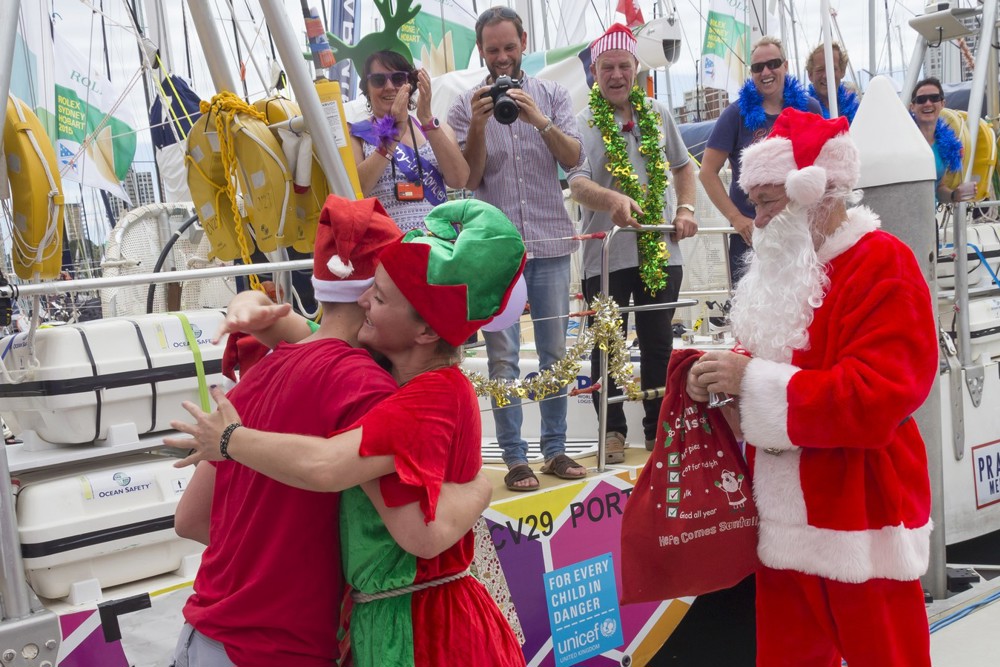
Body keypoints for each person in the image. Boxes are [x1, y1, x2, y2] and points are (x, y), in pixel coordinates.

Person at [168, 199, 527, 667]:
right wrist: (481, 485)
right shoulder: (374, 387)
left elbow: (191, 521)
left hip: (205, 634)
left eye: (380, 296)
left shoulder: (269, 370)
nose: (366, 302)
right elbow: (412, 525)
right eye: (371, 291)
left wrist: (251, 308)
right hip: (286, 647)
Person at [686, 108, 936, 666]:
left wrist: (750, 383)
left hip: (861, 519)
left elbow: (878, 397)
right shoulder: (789, 267)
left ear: (815, 195)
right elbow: (770, 362)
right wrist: (725, 385)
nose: (759, 220)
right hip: (782, 519)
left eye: (769, 203)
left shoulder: (881, 263)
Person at [447, 6, 586, 491]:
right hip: (497, 251)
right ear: (481, 52)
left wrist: (538, 119)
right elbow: (468, 177)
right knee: (502, 357)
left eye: (509, 47)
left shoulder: (550, 94)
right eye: (492, 50)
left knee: (554, 351)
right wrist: (480, 127)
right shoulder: (466, 106)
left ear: (523, 42)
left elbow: (573, 158)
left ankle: (556, 449)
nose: (502, 59)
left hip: (549, 240)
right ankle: (514, 458)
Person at [567, 24, 698, 458]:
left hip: (661, 250)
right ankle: (613, 431)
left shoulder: (658, 113)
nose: (617, 74)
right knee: (607, 345)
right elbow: (579, 185)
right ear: (595, 73)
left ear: (636, 68)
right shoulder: (581, 123)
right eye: (608, 67)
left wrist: (686, 210)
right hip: (605, 255)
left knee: (659, 344)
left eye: (624, 65)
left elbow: (683, 168)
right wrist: (613, 198)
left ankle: (658, 429)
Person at [700, 36, 821, 285]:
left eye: (773, 63)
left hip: (800, 230)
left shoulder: (810, 108)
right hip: (752, 235)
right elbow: (707, 172)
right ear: (752, 73)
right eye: (758, 67)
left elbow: (823, 165)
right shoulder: (735, 115)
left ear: (785, 66)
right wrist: (736, 218)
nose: (766, 72)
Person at [349, 50, 469, 232]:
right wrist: (392, 137)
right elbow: (354, 192)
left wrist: (427, 119)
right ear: (367, 88)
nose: (389, 86)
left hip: (439, 252)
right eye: (379, 80)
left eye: (398, 78)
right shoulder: (356, 135)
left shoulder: (437, 128)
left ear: (410, 84)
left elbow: (460, 180)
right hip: (385, 253)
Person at [909, 77, 976, 205]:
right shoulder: (902, 139)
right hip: (900, 219)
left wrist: (954, 195)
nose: (928, 103)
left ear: (942, 104)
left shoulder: (944, 147)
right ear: (912, 107)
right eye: (921, 100)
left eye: (934, 98)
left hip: (928, 219)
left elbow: (938, 188)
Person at [805, 42, 859, 123]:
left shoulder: (858, 111)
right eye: (820, 70)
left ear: (842, 71)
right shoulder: (802, 112)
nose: (826, 76)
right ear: (810, 75)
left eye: (833, 69)